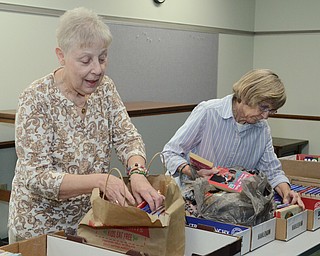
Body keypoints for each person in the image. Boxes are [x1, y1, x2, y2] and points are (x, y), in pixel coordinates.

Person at [8, 7, 164, 243]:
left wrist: (137, 173)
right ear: (61, 56)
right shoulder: (36, 98)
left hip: (89, 224)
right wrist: (100, 181)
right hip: (40, 230)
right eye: (85, 60)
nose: (97, 69)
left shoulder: (106, 89)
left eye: (102, 58)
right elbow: (37, 177)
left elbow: (127, 137)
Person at [162, 69, 304, 209]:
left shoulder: (262, 129)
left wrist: (287, 192)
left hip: (228, 205)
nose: (265, 116)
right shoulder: (209, 112)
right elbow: (169, 153)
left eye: (271, 111)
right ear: (248, 96)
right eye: (263, 107)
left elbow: (272, 171)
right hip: (189, 200)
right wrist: (192, 172)